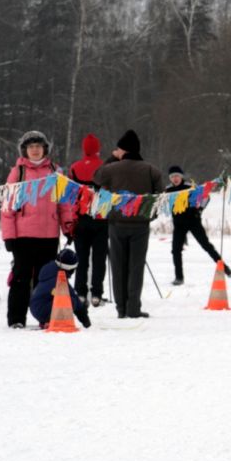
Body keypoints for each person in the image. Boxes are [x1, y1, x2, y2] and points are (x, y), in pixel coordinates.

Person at [2, 131, 75, 328]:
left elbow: (64, 203)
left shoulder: (55, 171)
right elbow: (7, 206)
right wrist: (9, 236)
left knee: (46, 280)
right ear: (25, 150)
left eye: (38, 146)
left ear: (45, 149)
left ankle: (45, 317)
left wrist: (68, 226)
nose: (35, 150)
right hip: (23, 236)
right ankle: (16, 318)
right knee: (20, 278)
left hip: (49, 235)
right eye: (31, 146)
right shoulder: (18, 172)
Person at [92, 129, 163, 319]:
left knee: (118, 266)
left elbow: (96, 177)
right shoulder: (151, 170)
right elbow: (160, 197)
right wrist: (150, 215)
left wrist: (111, 158)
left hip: (116, 224)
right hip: (140, 225)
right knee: (136, 267)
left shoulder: (111, 168)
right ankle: (133, 308)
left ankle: (121, 309)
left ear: (123, 150)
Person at [167, 165, 231, 285]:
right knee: (176, 250)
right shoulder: (168, 191)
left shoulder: (190, 187)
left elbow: (206, 197)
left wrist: (199, 210)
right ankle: (179, 278)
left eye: (177, 176)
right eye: (172, 177)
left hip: (193, 221)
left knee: (206, 246)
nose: (175, 178)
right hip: (179, 224)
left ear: (181, 177)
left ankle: (226, 270)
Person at [69, 133, 108, 307]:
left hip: (81, 219)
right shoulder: (105, 167)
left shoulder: (74, 167)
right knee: (99, 258)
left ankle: (80, 292)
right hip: (101, 218)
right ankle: (97, 294)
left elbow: (71, 195)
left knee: (82, 258)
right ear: (98, 149)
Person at [29, 248, 91, 329]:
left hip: (37, 307)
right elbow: (72, 296)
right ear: (70, 269)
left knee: (60, 298)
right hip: (43, 310)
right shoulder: (58, 279)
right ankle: (52, 321)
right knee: (71, 301)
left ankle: (46, 320)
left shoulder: (50, 271)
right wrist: (85, 319)